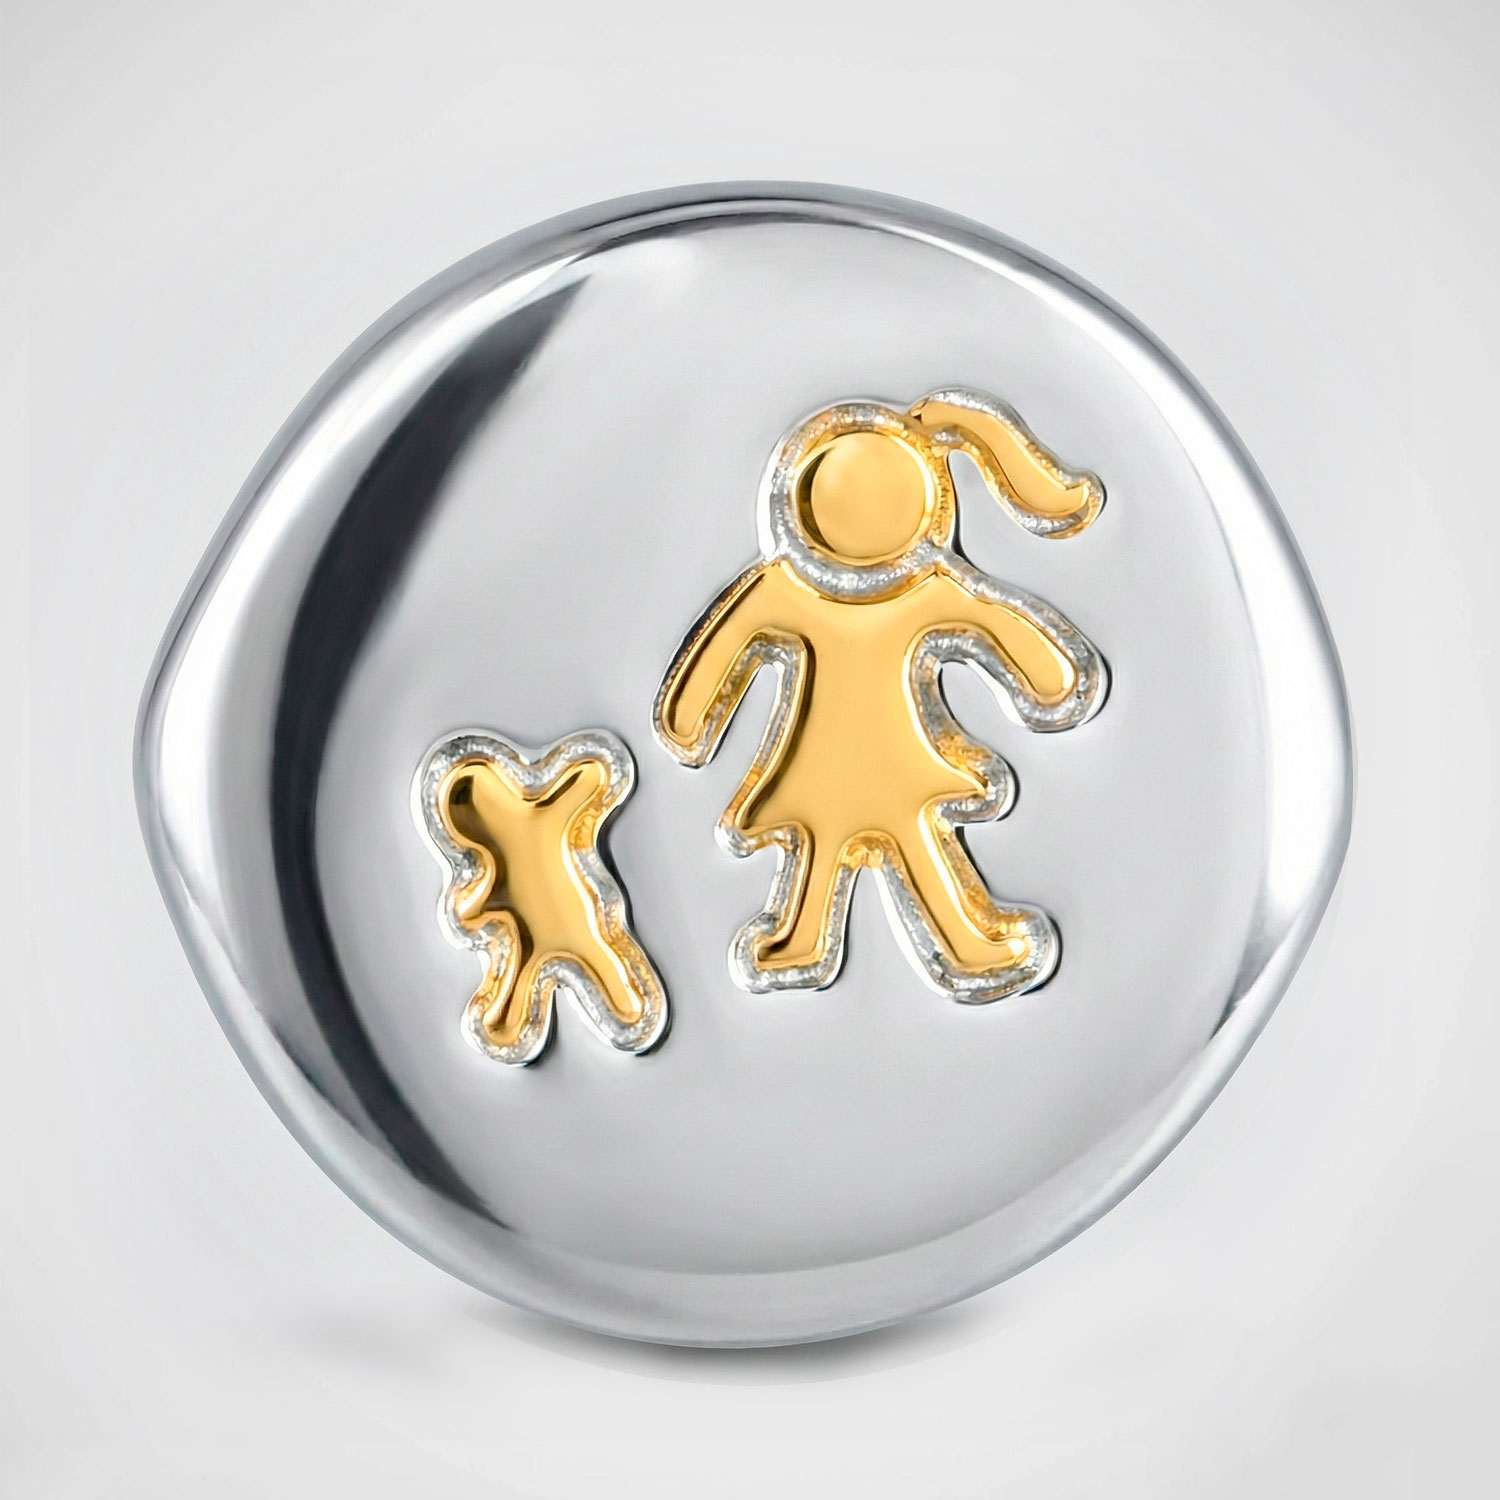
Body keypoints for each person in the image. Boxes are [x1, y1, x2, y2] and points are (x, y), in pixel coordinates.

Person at [654, 389, 1107, 1003]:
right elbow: (723, 650)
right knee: (850, 844)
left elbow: (994, 624)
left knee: (860, 845)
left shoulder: (911, 590)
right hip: (854, 762)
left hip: (867, 762)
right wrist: (1051, 678)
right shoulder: (793, 590)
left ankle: (938, 946)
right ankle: (826, 942)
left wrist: (688, 722)